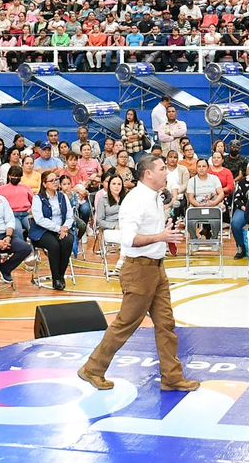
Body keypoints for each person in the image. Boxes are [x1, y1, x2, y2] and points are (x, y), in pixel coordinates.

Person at [78, 156, 198, 393]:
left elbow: (153, 231)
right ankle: (93, 368)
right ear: (148, 174)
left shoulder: (154, 196)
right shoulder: (134, 201)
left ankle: (172, 377)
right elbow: (129, 239)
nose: (167, 172)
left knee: (166, 324)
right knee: (126, 323)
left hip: (156, 267)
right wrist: (161, 237)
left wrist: (165, 234)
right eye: (163, 169)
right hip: (138, 269)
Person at [29, 171, 75, 291]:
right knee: (54, 245)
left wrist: (65, 228)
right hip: (42, 231)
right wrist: (58, 229)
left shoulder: (62, 196)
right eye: (52, 180)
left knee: (68, 240)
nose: (56, 182)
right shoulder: (38, 198)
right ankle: (56, 279)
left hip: (62, 229)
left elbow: (70, 215)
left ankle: (61, 275)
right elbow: (39, 220)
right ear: (44, 184)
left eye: (56, 180)